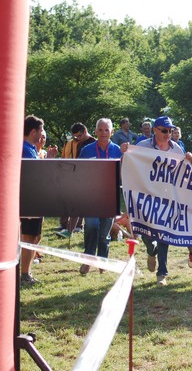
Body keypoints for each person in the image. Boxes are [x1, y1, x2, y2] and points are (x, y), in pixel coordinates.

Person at [122, 116, 192, 285]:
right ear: (155, 130)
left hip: (167, 197)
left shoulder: (176, 149)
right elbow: (129, 165)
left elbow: (185, 170)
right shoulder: (142, 147)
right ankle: (151, 250)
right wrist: (125, 150)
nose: (168, 134)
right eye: (164, 130)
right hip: (146, 196)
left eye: (170, 131)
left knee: (163, 234)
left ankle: (162, 273)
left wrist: (190, 159)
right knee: (146, 232)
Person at [78, 118, 123, 275]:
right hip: (92, 196)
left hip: (110, 197)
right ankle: (88, 260)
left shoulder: (117, 151)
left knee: (104, 233)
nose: (104, 133)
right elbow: (79, 173)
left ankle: (103, 261)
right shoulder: (86, 151)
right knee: (91, 226)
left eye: (107, 130)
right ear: (95, 131)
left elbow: (123, 173)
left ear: (111, 132)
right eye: (101, 130)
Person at [20, 115, 55, 285]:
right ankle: (24, 274)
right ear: (33, 131)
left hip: (35, 200)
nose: (42, 134)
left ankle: (25, 272)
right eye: (40, 130)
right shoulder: (25, 149)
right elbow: (35, 175)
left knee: (36, 236)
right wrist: (48, 161)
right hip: (29, 201)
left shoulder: (31, 148)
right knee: (29, 237)